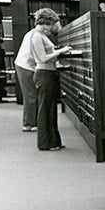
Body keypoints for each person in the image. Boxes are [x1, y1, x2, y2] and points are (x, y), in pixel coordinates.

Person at [28, 9, 71, 151]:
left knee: (51, 109)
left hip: (48, 74)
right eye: (52, 24)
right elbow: (42, 58)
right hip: (44, 75)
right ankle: (46, 143)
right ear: (46, 23)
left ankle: (54, 142)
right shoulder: (36, 36)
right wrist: (61, 51)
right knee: (45, 110)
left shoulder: (40, 36)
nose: (53, 28)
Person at [14, 22, 39, 132]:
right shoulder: (36, 35)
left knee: (32, 95)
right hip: (25, 66)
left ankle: (34, 122)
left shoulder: (32, 33)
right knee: (30, 95)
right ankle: (28, 124)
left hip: (25, 65)